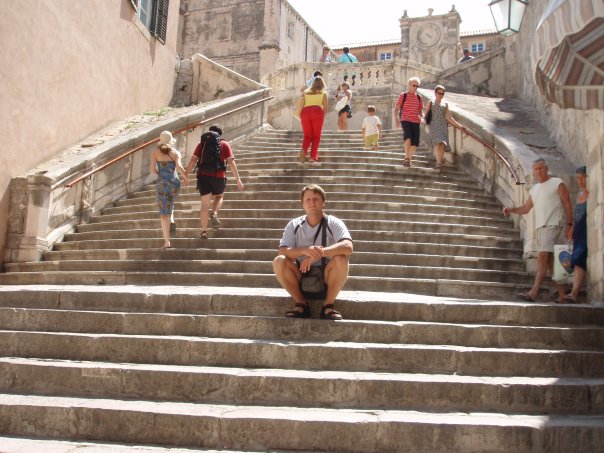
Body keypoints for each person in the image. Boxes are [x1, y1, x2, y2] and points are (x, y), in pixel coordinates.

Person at [273, 184, 353, 320]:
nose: (312, 203)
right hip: (301, 275)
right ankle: (301, 304)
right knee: (279, 261)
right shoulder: (294, 225)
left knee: (341, 258)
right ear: (302, 204)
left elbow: (348, 246)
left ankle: (328, 306)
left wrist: (317, 254)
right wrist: (305, 251)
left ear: (323, 203)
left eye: (316, 199)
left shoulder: (333, 222)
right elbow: (282, 251)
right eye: (308, 200)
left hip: (327, 277)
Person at [503, 158, 573, 303]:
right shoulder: (534, 189)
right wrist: (511, 210)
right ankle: (562, 295)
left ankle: (533, 293)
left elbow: (567, 202)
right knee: (549, 262)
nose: (539, 171)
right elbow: (525, 208)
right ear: (533, 171)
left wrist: (570, 224)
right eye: (536, 169)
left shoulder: (557, 183)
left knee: (541, 257)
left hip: (553, 225)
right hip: (540, 228)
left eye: (541, 168)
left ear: (546, 169)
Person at [184, 125, 244, 239]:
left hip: (203, 177)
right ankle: (214, 213)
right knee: (219, 196)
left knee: (204, 205)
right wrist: (238, 179)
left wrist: (186, 176)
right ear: (219, 135)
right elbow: (231, 162)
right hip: (218, 176)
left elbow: (193, 160)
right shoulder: (224, 144)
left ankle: (203, 231)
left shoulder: (202, 144)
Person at [149, 131, 189, 249]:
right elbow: (179, 167)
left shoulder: (155, 152)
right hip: (174, 183)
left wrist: (160, 173)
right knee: (170, 202)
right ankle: (171, 220)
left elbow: (152, 170)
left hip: (162, 183)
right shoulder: (175, 152)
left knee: (163, 213)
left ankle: (167, 242)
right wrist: (186, 178)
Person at [424, 85, 466, 170]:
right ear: (435, 93)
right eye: (439, 93)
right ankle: (439, 162)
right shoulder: (430, 102)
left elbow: (449, 118)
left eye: (442, 94)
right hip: (434, 126)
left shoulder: (445, 104)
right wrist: (423, 120)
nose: (441, 95)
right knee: (439, 142)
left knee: (442, 143)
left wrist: (459, 126)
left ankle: (439, 162)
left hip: (443, 126)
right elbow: (426, 115)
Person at [564, 166, 589, 303]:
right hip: (578, 230)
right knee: (576, 259)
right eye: (578, 178)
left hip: (586, 230)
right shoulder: (579, 194)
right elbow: (577, 214)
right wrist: (572, 228)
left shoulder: (591, 193)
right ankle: (574, 292)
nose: (580, 181)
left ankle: (574, 293)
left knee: (579, 258)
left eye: (582, 177)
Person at [298, 76, 328, 167]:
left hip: (305, 113)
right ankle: (312, 157)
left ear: (313, 83)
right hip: (317, 112)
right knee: (316, 136)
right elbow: (325, 108)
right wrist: (323, 117)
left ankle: (303, 150)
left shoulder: (305, 92)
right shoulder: (323, 93)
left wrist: (300, 115)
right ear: (322, 84)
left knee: (307, 135)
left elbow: (301, 104)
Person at [394, 77, 423, 167]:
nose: (415, 87)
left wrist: (422, 118)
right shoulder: (403, 95)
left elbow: (420, 111)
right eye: (414, 85)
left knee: (415, 142)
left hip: (416, 121)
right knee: (408, 136)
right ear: (409, 85)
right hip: (405, 120)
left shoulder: (419, 97)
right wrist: (396, 119)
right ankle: (406, 157)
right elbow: (396, 108)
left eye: (417, 86)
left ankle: (408, 160)